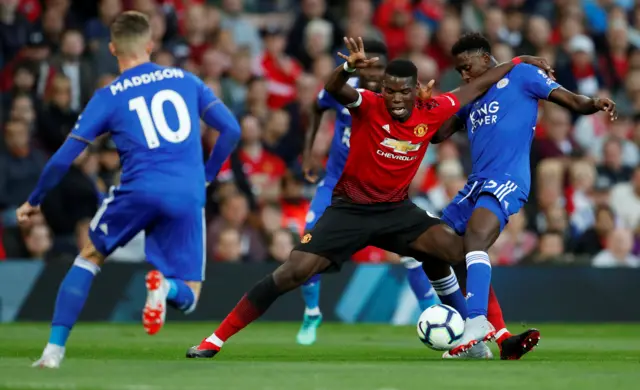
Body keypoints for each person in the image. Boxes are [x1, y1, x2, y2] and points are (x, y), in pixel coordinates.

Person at [185, 36, 552, 359]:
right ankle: (215, 339)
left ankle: (489, 335)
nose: (394, 98)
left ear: (415, 91)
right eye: (389, 90)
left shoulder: (434, 109)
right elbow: (332, 89)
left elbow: (480, 84)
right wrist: (346, 68)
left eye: (401, 91)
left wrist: (518, 62)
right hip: (349, 211)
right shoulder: (368, 104)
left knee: (459, 251)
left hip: (395, 211)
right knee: (292, 272)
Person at [18, 11, 241, 368]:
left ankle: (53, 352)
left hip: (138, 190)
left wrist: (34, 200)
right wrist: (207, 175)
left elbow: (63, 158)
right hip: (186, 192)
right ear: (151, 44)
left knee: (89, 257)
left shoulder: (108, 96)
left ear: (112, 48)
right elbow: (231, 130)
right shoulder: (186, 80)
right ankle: (165, 289)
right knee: (190, 294)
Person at [431, 33, 617, 357]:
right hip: (476, 183)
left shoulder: (523, 75)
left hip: (507, 178)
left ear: (485, 60)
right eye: (459, 70)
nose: (463, 75)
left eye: (466, 67)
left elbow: (571, 100)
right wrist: (432, 105)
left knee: (474, 238)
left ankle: (475, 321)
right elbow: (437, 134)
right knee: (441, 246)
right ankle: (498, 337)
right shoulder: (472, 96)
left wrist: (593, 103)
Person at [296, 38, 436, 346]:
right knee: (307, 243)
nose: (371, 73)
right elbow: (317, 105)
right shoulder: (348, 90)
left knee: (415, 252)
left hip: (382, 190)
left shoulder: (398, 101)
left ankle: (433, 313)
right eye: (366, 65)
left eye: (378, 67)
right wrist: (309, 153)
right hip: (336, 184)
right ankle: (312, 312)